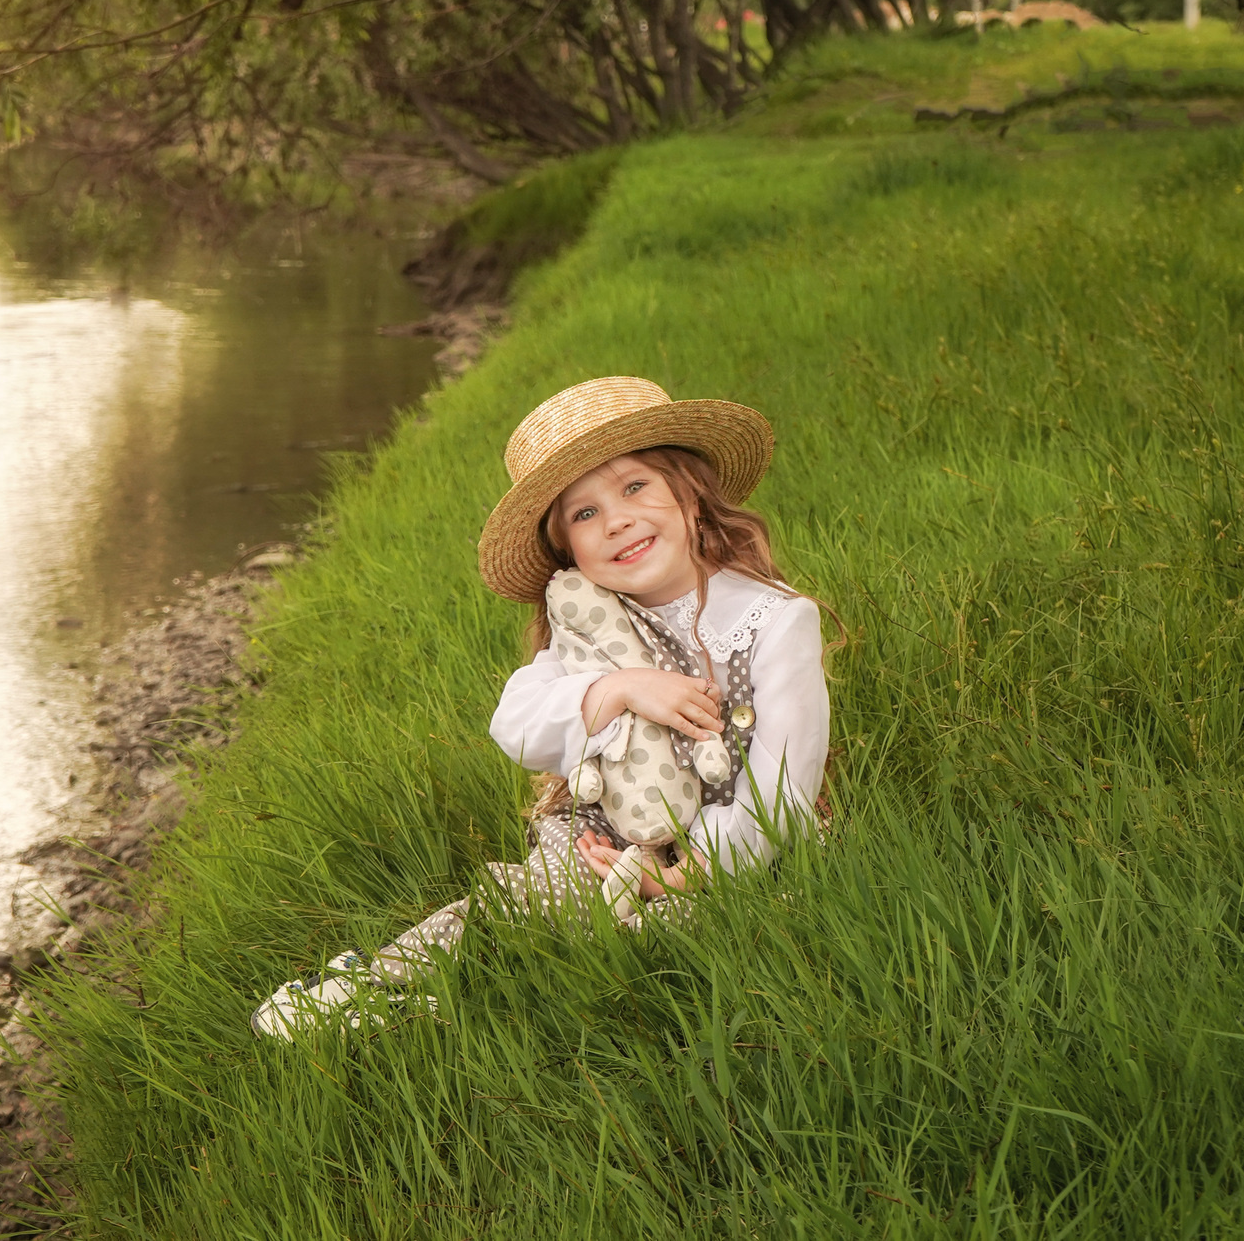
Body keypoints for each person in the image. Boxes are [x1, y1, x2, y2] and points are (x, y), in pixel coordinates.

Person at [254, 375, 830, 1037]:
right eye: (584, 514)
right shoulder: (592, 624)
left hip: (740, 846)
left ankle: (493, 1012)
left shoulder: (773, 620)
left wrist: (686, 877)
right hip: (613, 836)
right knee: (528, 897)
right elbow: (517, 725)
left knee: (667, 936)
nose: (615, 520)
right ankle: (381, 982)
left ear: (692, 494)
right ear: (569, 553)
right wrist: (618, 687)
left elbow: (783, 786)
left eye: (635, 486)